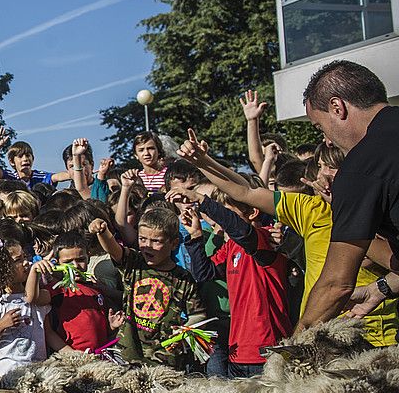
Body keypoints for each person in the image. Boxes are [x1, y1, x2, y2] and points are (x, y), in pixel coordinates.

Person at [177, 128, 397, 347]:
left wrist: (348, 214)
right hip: (319, 338)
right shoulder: (310, 208)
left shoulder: (381, 209)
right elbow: (246, 192)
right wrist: (203, 162)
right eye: (320, 167)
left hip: (373, 339)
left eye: (333, 167)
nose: (324, 175)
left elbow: (393, 263)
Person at [297, 61, 399, 327]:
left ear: (337, 107)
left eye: (320, 127)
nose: (327, 141)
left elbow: (336, 284)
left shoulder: (361, 167)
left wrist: (289, 352)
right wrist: (383, 287)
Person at [173, 185, 290, 378]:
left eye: (227, 212)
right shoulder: (232, 246)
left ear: (253, 212)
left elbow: (242, 231)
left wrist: (202, 200)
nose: (221, 219)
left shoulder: (266, 238)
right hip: (238, 351)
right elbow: (204, 273)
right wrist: (195, 236)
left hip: (268, 353)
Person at [88, 207, 206, 369]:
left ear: (173, 243)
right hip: (128, 354)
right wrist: (102, 231)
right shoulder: (134, 262)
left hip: (164, 360)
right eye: (142, 239)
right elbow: (113, 249)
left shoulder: (183, 278)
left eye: (156, 241)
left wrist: (186, 331)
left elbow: (198, 315)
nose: (147, 246)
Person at [0, 221, 65, 379]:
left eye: (25, 257)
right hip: (5, 373)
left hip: (37, 371)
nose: (26, 263)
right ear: (3, 268)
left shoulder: (39, 297)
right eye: (18, 260)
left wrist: (73, 355)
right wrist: (2, 324)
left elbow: (49, 333)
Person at [47, 232, 123, 353]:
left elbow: (96, 331)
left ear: (88, 257)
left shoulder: (96, 289)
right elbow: (47, 330)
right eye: (68, 262)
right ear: (57, 263)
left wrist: (111, 327)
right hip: (71, 358)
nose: (75, 266)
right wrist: (70, 353)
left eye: (81, 259)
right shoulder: (56, 291)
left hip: (99, 357)